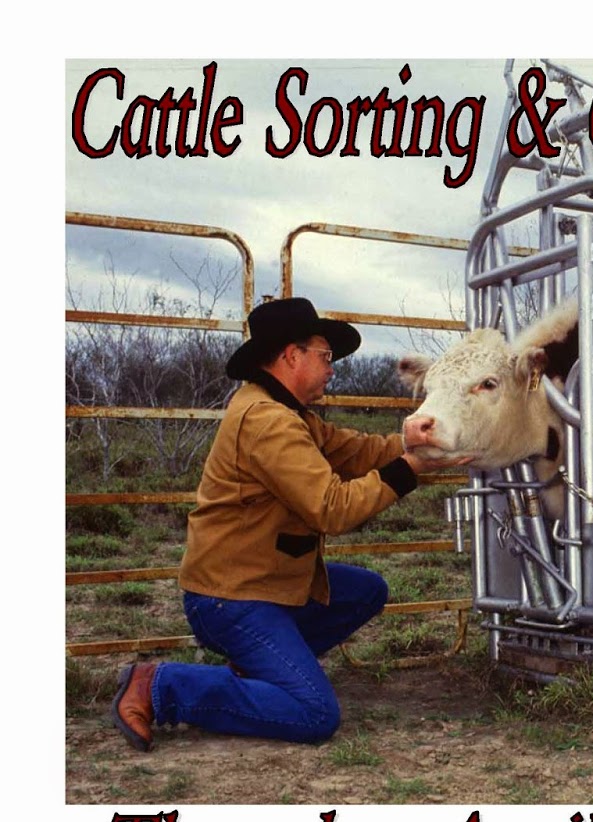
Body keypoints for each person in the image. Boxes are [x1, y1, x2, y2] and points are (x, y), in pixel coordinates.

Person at [111, 297, 468, 749]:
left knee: (365, 591)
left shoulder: (286, 411)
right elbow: (331, 508)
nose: (332, 368)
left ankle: (258, 673)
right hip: (231, 596)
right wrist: (409, 469)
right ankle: (161, 686)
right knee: (314, 714)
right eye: (325, 357)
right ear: (291, 355)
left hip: (267, 582)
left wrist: (407, 440)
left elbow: (351, 451)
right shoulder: (267, 421)